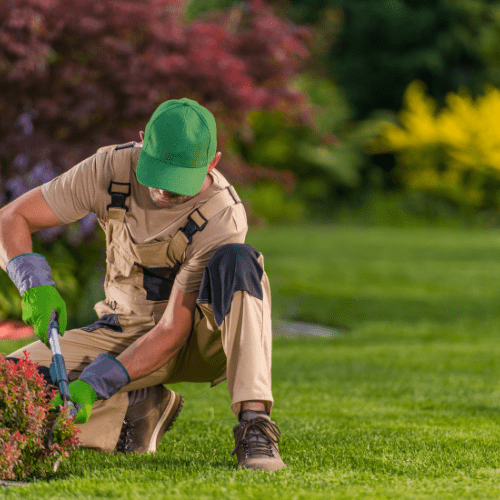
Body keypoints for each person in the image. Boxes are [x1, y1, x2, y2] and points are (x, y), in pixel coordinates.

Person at [0, 98, 285, 471]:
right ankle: (135, 410)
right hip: (121, 329)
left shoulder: (222, 215)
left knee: (240, 261)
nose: (165, 191)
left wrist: (96, 383)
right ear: (142, 142)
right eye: (158, 175)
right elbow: (14, 216)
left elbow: (172, 330)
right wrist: (32, 284)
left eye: (178, 181)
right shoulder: (110, 168)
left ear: (212, 162)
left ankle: (254, 424)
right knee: (11, 387)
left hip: (200, 338)